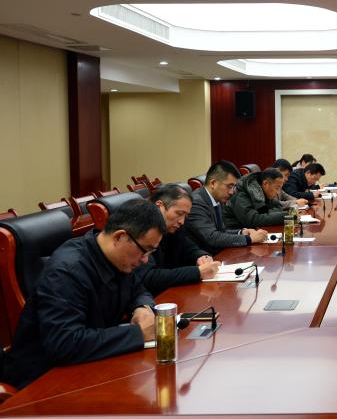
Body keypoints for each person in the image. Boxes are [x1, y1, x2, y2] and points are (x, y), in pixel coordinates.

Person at [1, 200, 166, 389]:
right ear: (120, 236)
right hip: (42, 380)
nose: (145, 260)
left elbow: (138, 289)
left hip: (88, 366)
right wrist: (137, 334)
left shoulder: (117, 258)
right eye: (145, 250)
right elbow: (64, 344)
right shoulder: (67, 272)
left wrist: (142, 307)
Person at [135, 184, 221, 296]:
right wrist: (197, 272)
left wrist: (201, 256)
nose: (182, 221)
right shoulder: (142, 229)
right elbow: (148, 277)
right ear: (159, 205)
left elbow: (188, 247)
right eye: (179, 214)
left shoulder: (172, 227)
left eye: (185, 216)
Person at [185, 160, 268, 254]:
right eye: (229, 186)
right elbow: (212, 237)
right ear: (213, 183)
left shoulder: (217, 199)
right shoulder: (196, 203)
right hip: (204, 258)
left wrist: (242, 232)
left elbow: (221, 231)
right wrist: (249, 239)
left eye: (233, 187)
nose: (231, 192)